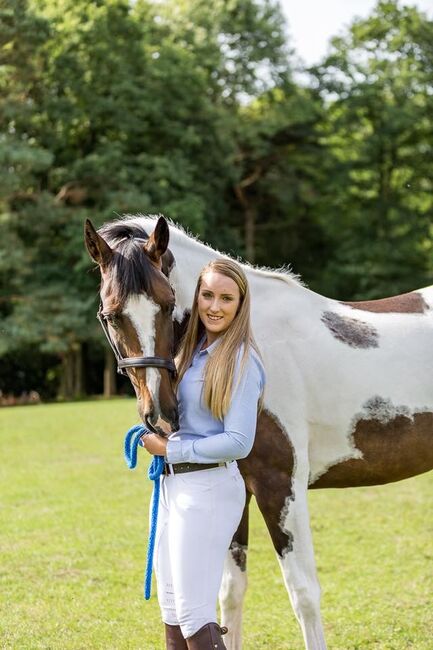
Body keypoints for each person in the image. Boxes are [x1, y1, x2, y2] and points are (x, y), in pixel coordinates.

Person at [141, 258, 265, 650]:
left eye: (226, 298)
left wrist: (172, 447)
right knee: (173, 610)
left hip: (209, 490)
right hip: (172, 487)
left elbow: (239, 441)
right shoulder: (189, 352)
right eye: (207, 294)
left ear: (241, 304)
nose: (214, 306)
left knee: (195, 614)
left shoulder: (243, 360)